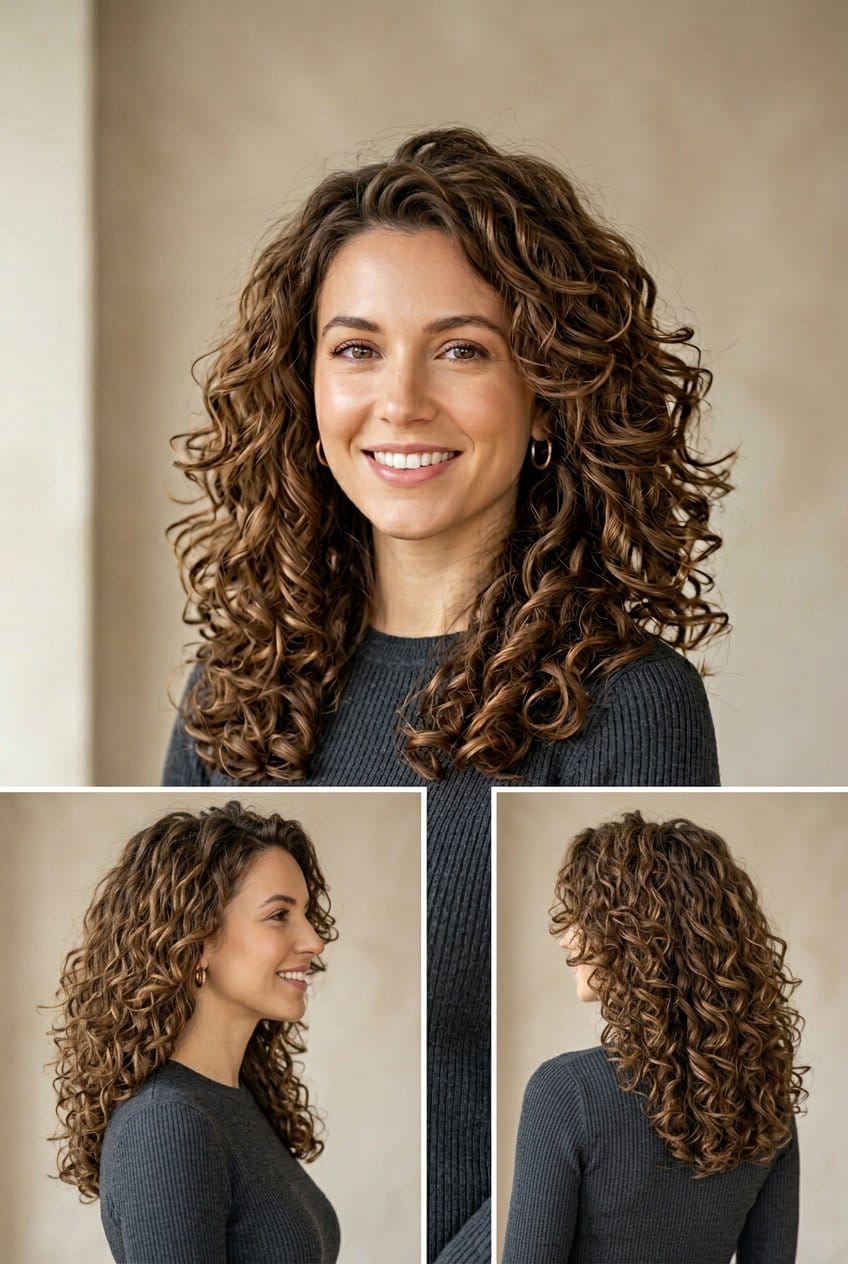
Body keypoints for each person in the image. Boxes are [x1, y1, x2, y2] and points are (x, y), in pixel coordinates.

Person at [162, 126, 733, 1262]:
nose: (401, 400)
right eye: (357, 348)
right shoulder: (231, 688)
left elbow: (641, 1081)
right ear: (304, 383)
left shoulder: (628, 703)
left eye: (461, 349)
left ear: (547, 387)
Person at [502, 811, 806, 1264]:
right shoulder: (767, 1101)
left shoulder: (567, 1091)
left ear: (634, 936)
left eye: (582, 916)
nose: (567, 939)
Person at [50, 801, 340, 1264]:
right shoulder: (167, 1123)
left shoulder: (234, 1100)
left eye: (305, 913)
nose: (314, 940)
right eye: (279, 915)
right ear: (199, 940)